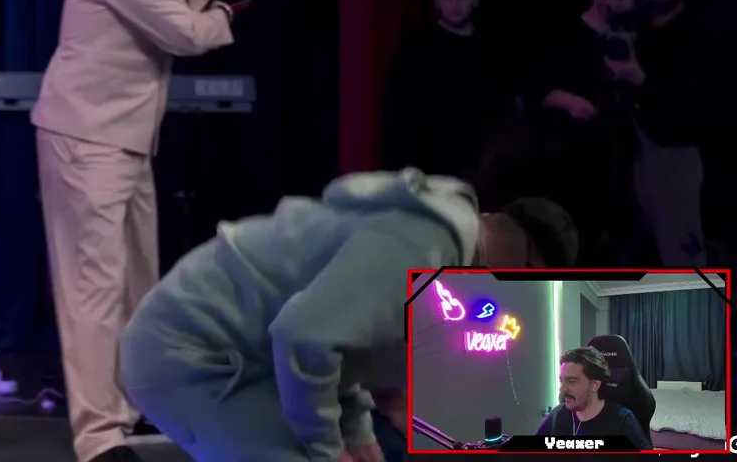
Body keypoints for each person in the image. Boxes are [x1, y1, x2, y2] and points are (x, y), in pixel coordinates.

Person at [118, 168, 577, 462]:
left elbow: (348, 350)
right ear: (528, 266)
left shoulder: (445, 252)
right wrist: (327, 451)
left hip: (249, 357)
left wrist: (358, 437)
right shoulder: (425, 248)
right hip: (190, 354)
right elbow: (305, 337)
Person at [31, 0, 248, 462]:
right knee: (94, 288)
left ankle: (128, 406)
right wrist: (224, 16)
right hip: (87, 136)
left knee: (136, 284)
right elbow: (185, 32)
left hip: (123, 136)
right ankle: (97, 436)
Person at [532, 0, 641, 264]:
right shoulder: (567, 37)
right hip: (577, 155)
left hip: (623, 152)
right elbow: (536, 90)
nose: (627, 5)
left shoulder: (634, 35)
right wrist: (570, 101)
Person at [618, 0, 709, 265]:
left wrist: (641, 79)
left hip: (676, 154)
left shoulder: (699, 34)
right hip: (630, 151)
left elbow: (699, 101)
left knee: (682, 252)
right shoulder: (633, 25)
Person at [381, 0, 510, 181]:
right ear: (437, 1)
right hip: (427, 162)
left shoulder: (491, 50)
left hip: (478, 164)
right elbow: (398, 112)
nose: (454, 4)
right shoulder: (416, 50)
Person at [536, 347, 653, 450]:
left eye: (571, 381)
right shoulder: (557, 415)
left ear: (594, 385)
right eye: (562, 381)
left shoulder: (622, 421)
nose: (562, 389)